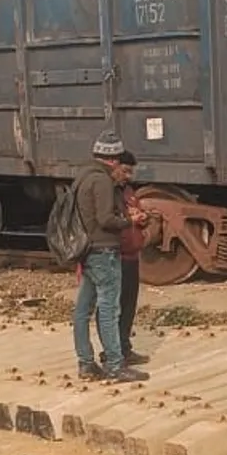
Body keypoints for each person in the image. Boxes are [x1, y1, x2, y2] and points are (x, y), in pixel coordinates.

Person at [71, 131, 149, 382]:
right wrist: (129, 220)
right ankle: (115, 365)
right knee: (108, 308)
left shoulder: (82, 176)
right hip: (104, 250)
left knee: (82, 310)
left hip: (87, 250)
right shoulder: (102, 181)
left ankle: (85, 363)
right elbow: (105, 219)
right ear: (113, 158)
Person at [114, 151, 151, 368]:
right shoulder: (110, 193)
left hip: (132, 255)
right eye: (125, 171)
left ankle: (124, 348)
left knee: (128, 306)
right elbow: (107, 220)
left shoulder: (128, 191)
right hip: (116, 256)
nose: (128, 175)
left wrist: (142, 219)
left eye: (131, 172)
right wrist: (130, 218)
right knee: (113, 307)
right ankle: (113, 351)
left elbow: (134, 215)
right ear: (115, 167)